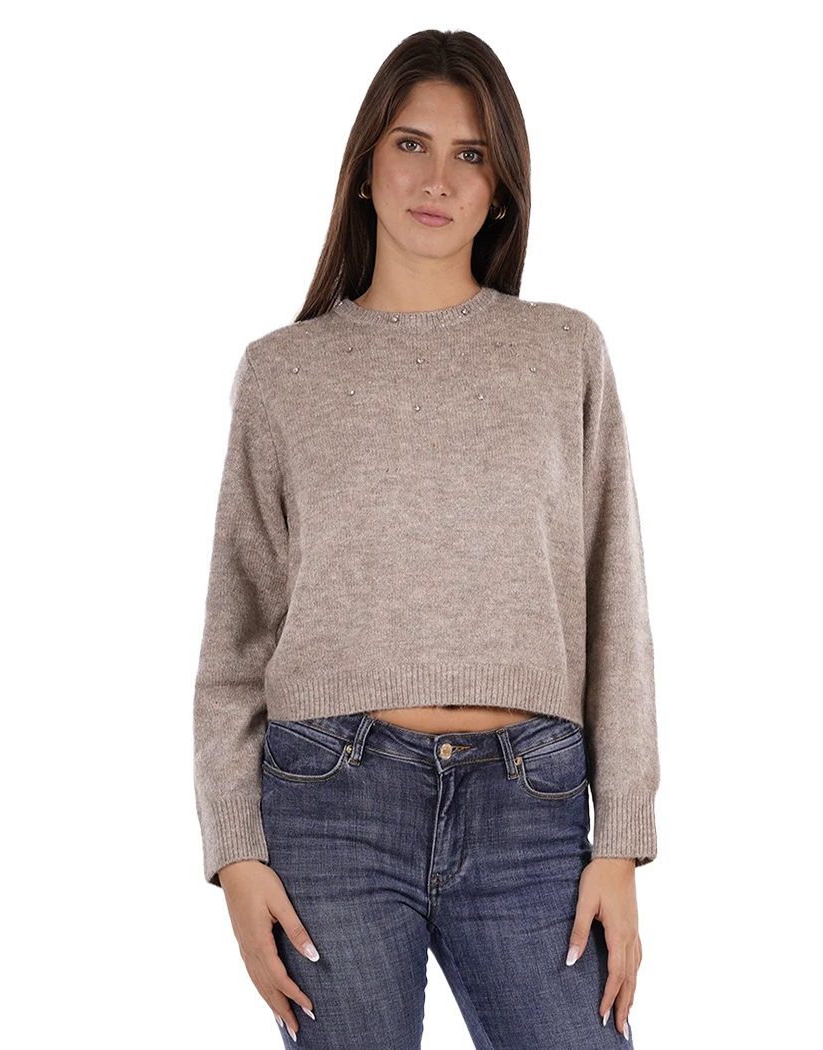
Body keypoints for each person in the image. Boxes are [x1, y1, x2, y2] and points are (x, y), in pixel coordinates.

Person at [192, 28, 659, 1049]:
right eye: (411, 144)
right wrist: (236, 853)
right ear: (366, 166)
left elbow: (612, 604)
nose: (437, 178)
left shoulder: (562, 351)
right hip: (331, 804)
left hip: (532, 805)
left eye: (470, 153)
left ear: (502, 190)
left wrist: (621, 840)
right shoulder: (283, 373)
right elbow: (236, 640)